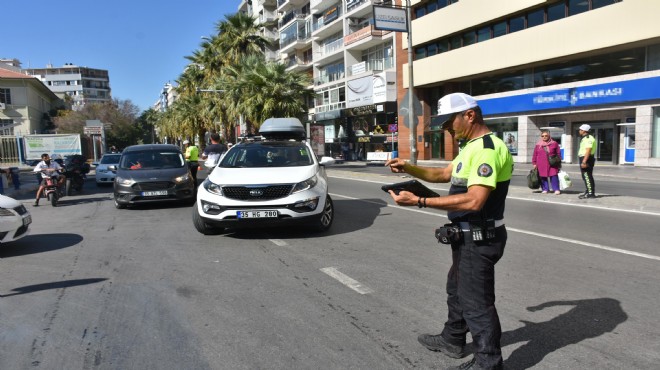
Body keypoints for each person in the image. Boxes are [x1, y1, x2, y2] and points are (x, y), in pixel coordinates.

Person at [384, 93, 513, 370]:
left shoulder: (487, 149)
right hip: (466, 236)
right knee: (456, 290)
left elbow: (474, 200)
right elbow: (443, 175)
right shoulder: (470, 147)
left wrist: (420, 201)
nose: (446, 129)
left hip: (480, 237)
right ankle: (453, 339)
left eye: (448, 122)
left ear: (470, 115)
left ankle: (488, 363)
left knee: (476, 303)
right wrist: (408, 166)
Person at [532, 130, 561, 194]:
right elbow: (535, 154)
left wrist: (558, 161)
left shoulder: (554, 143)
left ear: (549, 136)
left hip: (552, 163)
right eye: (542, 136)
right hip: (541, 163)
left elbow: (558, 153)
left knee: (554, 176)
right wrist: (534, 163)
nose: (544, 137)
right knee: (543, 176)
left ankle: (556, 189)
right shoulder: (538, 145)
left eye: (546, 136)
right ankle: (545, 189)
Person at [577, 124, 597, 199]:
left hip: (586, 158)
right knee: (585, 176)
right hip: (584, 158)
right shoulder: (585, 138)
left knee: (587, 176)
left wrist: (584, 161)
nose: (579, 131)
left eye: (580, 130)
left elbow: (588, 150)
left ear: (584, 131)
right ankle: (588, 191)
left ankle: (591, 193)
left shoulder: (589, 138)